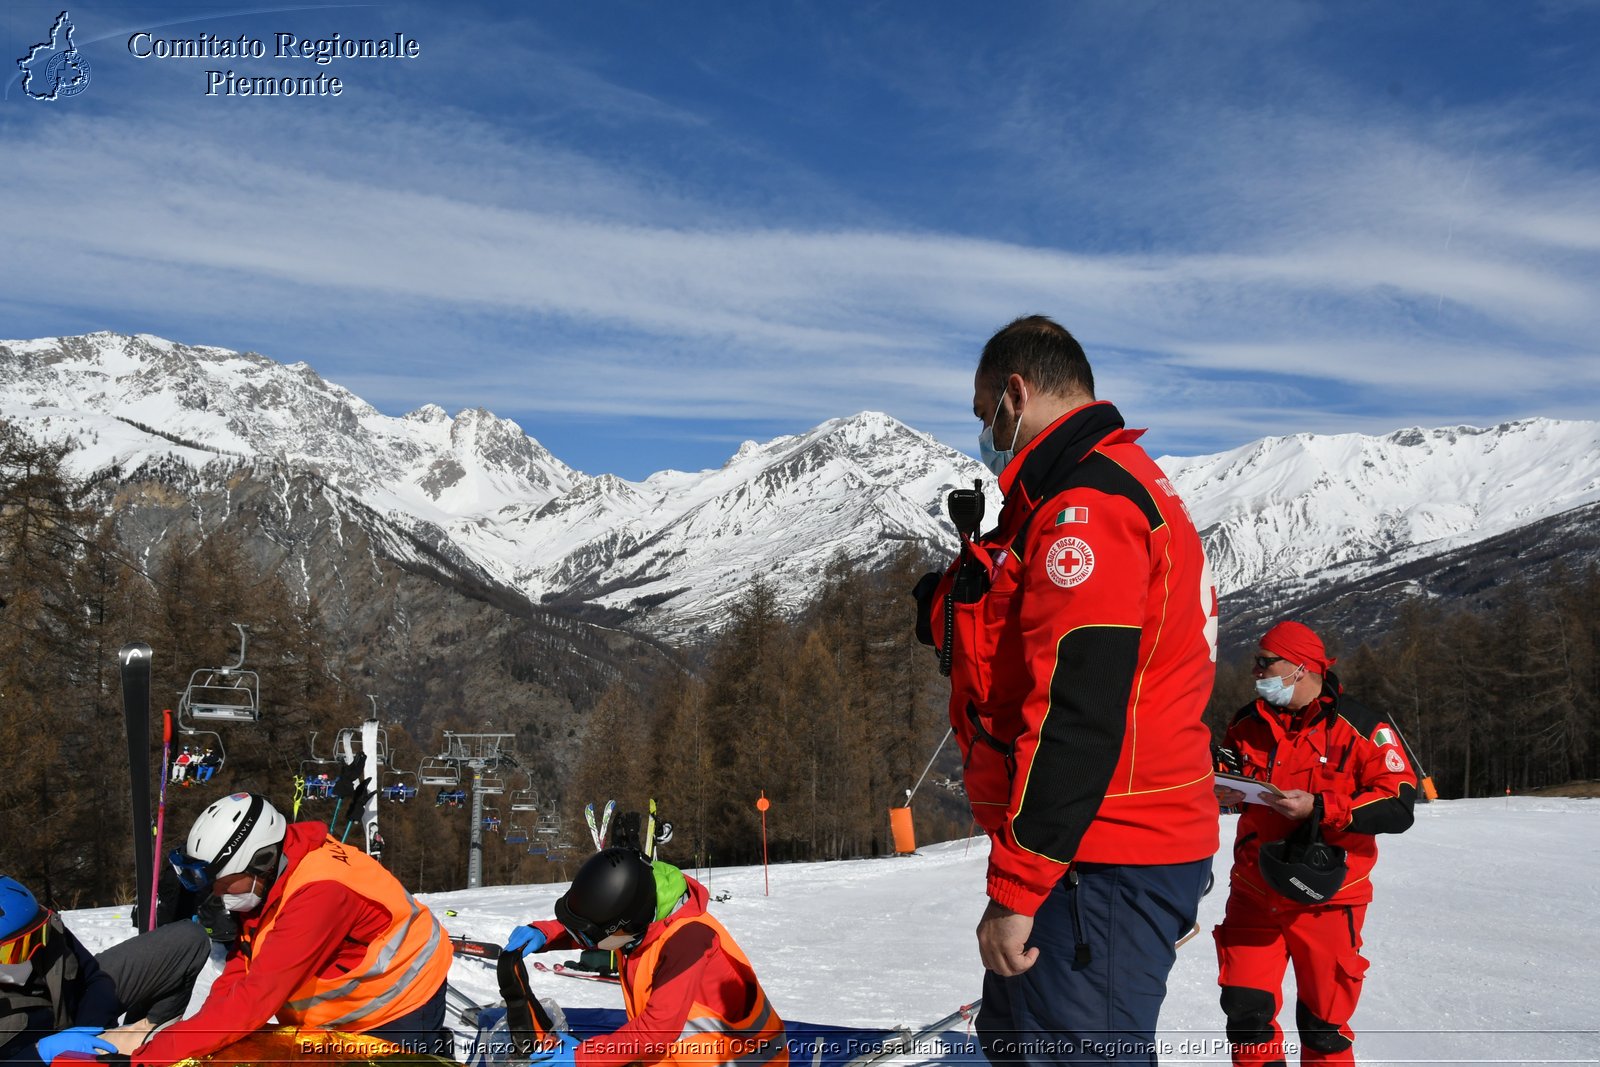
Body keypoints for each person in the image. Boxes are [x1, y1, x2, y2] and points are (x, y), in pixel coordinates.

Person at [915, 315, 1219, 1065]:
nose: (985, 432)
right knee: (1020, 1045)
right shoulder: (1081, 492)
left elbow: (1078, 714)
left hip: (1100, 850)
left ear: (1015, 395)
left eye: (985, 413)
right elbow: (1026, 628)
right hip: (1087, 846)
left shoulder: (1091, 509)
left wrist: (1020, 888)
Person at [109, 792, 453, 1065]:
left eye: (225, 883)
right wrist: (195, 1036)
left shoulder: (320, 894)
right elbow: (242, 965)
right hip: (338, 1013)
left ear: (260, 861)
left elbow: (256, 997)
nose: (217, 894)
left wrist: (154, 1057)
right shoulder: (271, 877)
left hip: (399, 1005)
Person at [1212, 621, 1417, 1067]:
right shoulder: (1246, 721)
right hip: (1254, 888)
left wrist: (1323, 808)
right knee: (1247, 1017)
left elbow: (1399, 805)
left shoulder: (1363, 726)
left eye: (1265, 663)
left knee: (1323, 1029)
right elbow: (1233, 784)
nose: (1255, 671)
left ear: (1301, 668)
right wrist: (1224, 793)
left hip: (1327, 897)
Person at [502, 847, 787, 1067]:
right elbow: (599, 932)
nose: (593, 944)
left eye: (596, 937)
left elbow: (658, 1030)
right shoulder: (639, 921)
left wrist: (582, 1057)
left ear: (628, 924)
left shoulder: (688, 940)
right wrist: (547, 933)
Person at [0, 874, 209, 1066]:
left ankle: (151, 1044)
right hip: (30, 1058)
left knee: (186, 941)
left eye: (36, 937)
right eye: (15, 949)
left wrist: (97, 1032)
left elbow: (92, 976)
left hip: (75, 1015)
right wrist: (39, 1054)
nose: (33, 951)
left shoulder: (34, 919)